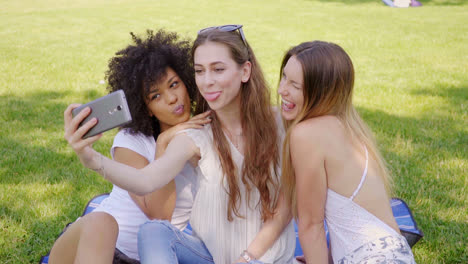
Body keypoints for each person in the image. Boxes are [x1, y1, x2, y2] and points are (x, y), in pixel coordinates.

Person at [64, 25, 296, 264]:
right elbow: (148, 188)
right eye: (200, 71)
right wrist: (90, 158)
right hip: (105, 245)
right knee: (112, 222)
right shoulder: (184, 138)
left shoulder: (279, 124)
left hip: (252, 256)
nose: (207, 81)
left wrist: (248, 258)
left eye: (217, 69)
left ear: (245, 71)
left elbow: (288, 204)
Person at [52, 29, 210, 263]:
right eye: (156, 96)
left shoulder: (203, 135)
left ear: (187, 83)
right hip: (95, 247)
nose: (172, 98)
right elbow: (158, 215)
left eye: (174, 84)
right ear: (146, 108)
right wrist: (164, 143)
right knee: (101, 221)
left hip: (148, 257)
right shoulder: (131, 140)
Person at [278, 41, 416, 263]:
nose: (281, 89)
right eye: (284, 77)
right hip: (397, 253)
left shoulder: (305, 134)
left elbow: (311, 225)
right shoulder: (350, 126)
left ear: (321, 92)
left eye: (295, 85)